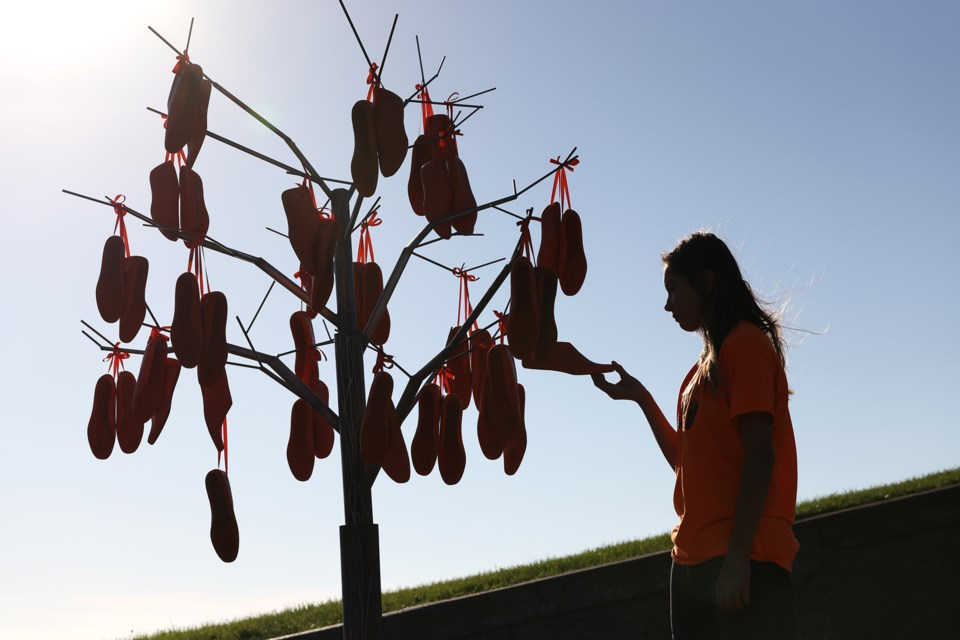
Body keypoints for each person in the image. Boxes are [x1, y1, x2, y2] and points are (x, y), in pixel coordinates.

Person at [592, 232, 801, 639]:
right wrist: (641, 398)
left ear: (705, 282)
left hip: (744, 559)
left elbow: (761, 457)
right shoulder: (700, 372)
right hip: (691, 564)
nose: (667, 304)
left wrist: (738, 560)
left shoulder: (745, 347)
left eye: (673, 289)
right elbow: (685, 465)